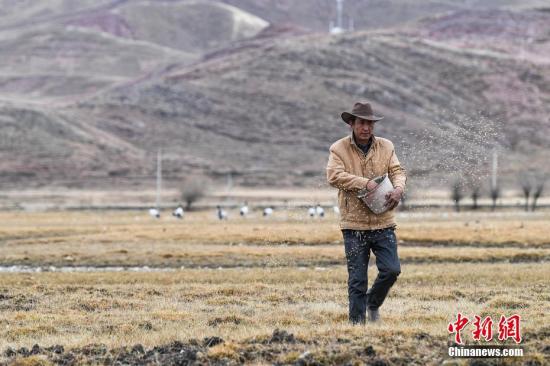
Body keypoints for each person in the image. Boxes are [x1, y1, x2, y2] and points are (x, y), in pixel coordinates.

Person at [326, 101, 407, 324]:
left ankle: (373, 303)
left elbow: (398, 171)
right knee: (357, 279)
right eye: (362, 123)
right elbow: (334, 176)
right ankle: (356, 326)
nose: (366, 128)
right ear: (351, 124)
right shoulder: (338, 149)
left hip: (384, 221)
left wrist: (399, 189)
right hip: (354, 225)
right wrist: (365, 183)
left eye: (370, 123)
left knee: (391, 270)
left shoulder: (386, 146)